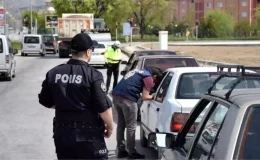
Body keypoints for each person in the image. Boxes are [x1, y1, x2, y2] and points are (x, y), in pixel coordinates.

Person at [38, 33, 113, 160]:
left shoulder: (54, 73)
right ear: (88, 52)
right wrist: (110, 127)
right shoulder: (93, 75)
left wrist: (65, 104)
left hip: (63, 134)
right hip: (89, 135)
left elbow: (44, 100)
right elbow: (103, 108)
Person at [112, 67, 163, 159]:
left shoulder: (138, 71)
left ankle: (121, 151)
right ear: (155, 76)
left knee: (121, 124)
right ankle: (132, 152)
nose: (154, 83)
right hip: (128, 100)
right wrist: (156, 98)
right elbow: (145, 97)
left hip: (116, 96)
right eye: (156, 80)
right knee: (131, 126)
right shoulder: (148, 78)